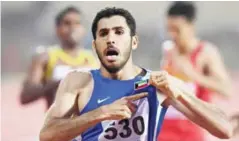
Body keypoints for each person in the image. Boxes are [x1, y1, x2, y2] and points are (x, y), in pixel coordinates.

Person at [39, 7, 233, 141]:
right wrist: (100, 114)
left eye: (119, 32)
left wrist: (181, 93)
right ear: (94, 45)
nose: (110, 39)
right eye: (103, 33)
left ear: (134, 42)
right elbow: (47, 134)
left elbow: (224, 129)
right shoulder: (78, 81)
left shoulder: (155, 84)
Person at [158, 2, 233, 141]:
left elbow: (226, 89)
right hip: (164, 129)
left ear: (190, 26)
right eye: (169, 29)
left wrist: (193, 75)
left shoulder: (205, 52)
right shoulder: (169, 51)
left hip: (190, 130)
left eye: (177, 29)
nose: (172, 35)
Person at [20, 6, 98, 110]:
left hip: (89, 123)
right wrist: (57, 83)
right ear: (57, 29)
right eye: (67, 23)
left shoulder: (93, 60)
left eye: (77, 23)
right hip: (58, 123)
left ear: (84, 29)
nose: (73, 28)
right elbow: (25, 96)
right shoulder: (45, 57)